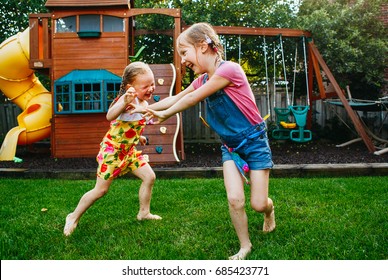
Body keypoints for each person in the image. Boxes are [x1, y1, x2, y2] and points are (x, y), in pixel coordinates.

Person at [138, 23, 276, 260]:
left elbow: (191, 99)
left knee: (258, 203)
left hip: (254, 142)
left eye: (184, 53)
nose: (182, 61)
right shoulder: (202, 80)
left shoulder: (229, 70)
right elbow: (177, 97)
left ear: (202, 46)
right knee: (234, 199)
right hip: (231, 147)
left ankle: (269, 211)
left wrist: (165, 115)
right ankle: (245, 246)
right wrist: (146, 109)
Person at [63, 62, 161, 237]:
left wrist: (139, 137)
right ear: (131, 87)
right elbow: (110, 116)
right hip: (112, 152)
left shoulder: (142, 103)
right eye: (146, 86)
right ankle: (73, 216)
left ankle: (143, 213)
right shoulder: (126, 101)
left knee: (149, 176)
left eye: (152, 84)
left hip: (128, 151)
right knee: (101, 190)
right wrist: (124, 101)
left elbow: (126, 128)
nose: (151, 89)